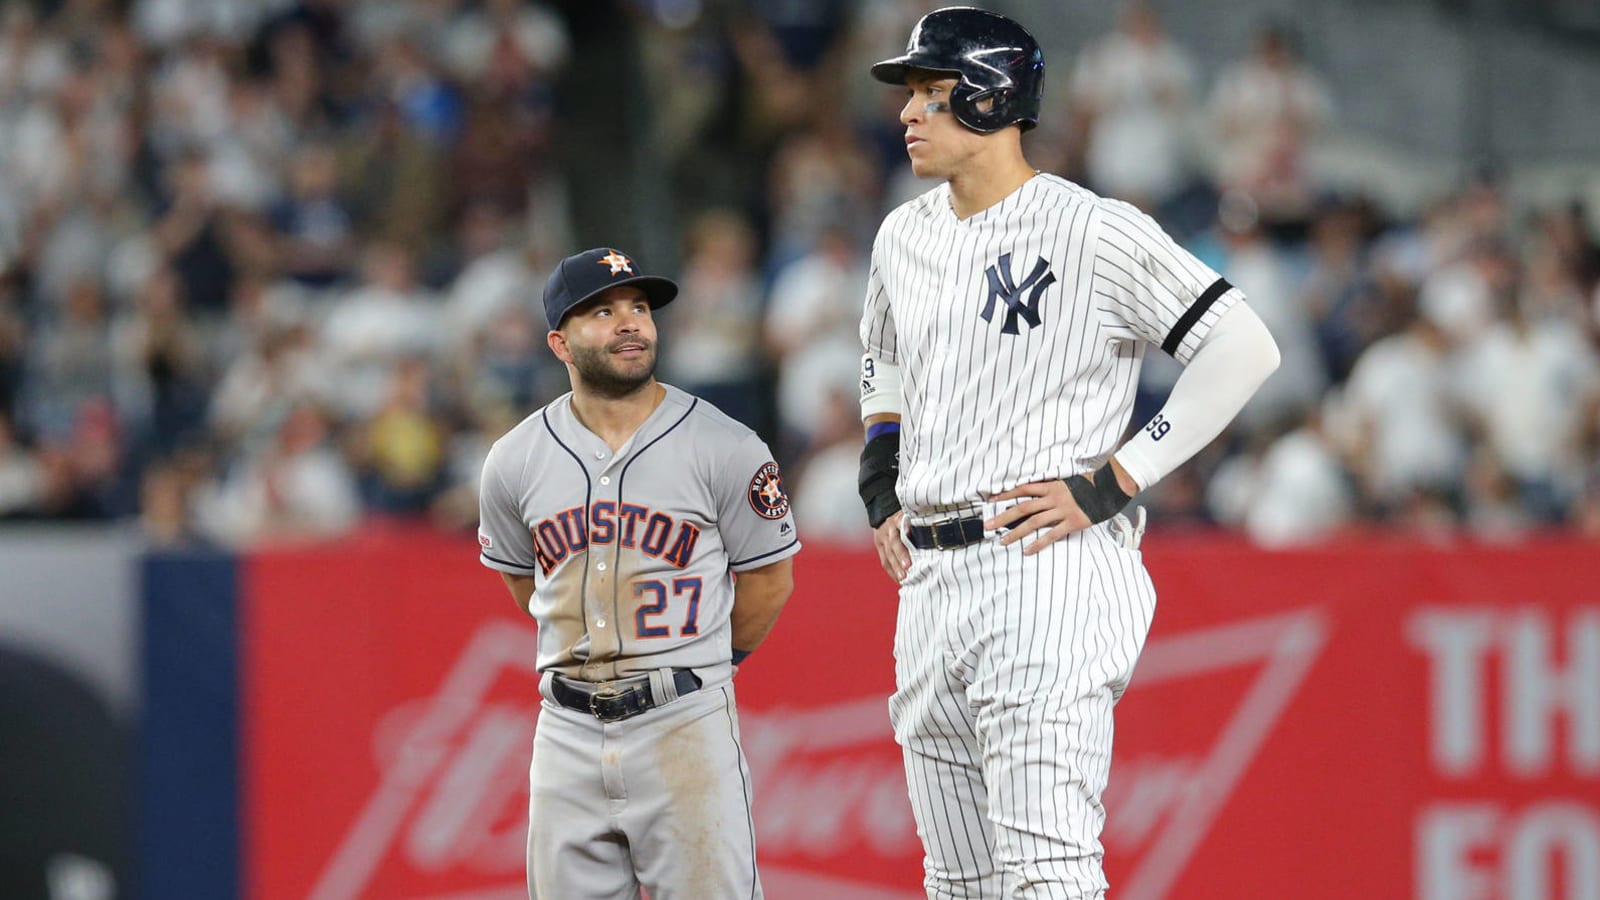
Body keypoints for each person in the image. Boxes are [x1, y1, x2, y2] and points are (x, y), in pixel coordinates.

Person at [856, 9, 1281, 898]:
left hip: (1045, 565)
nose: (909, 114)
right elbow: (883, 358)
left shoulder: (1091, 227)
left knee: (1047, 872)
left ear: (991, 97)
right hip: (931, 580)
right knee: (959, 881)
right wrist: (880, 481)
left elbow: (1242, 346)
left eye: (933, 94)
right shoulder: (904, 234)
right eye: (911, 97)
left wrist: (1118, 478)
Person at [477, 247, 799, 899]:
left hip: (683, 719)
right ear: (559, 343)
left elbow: (769, 583)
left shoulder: (726, 444)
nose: (630, 323)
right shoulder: (513, 460)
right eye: (603, 311)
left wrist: (705, 662)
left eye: (640, 307)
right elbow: (526, 583)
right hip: (565, 728)